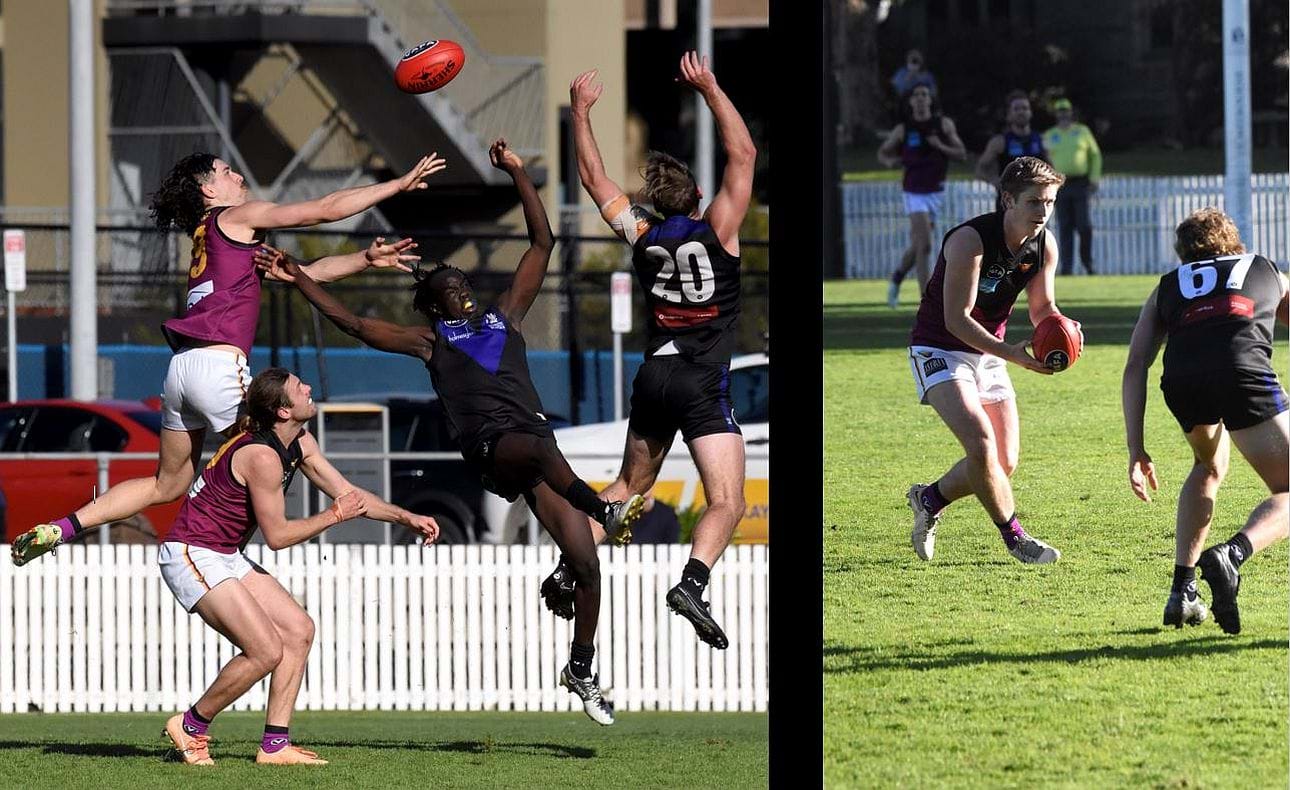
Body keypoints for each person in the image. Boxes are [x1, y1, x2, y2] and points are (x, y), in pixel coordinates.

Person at [257, 138, 640, 725]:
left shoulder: (505, 316)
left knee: (589, 566)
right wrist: (299, 278)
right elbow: (354, 323)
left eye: (462, 282)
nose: (460, 289)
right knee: (541, 451)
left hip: (538, 456)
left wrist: (517, 172)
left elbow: (542, 241)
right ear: (432, 308)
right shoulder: (431, 342)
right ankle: (601, 509)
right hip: (495, 451)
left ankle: (581, 669)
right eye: (448, 289)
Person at [11, 151, 446, 566]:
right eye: (226, 171)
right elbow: (326, 208)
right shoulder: (235, 217)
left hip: (181, 372)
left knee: (168, 484)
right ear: (208, 192)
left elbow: (305, 275)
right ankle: (228, 550)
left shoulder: (214, 240)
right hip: (219, 368)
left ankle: (63, 527)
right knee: (300, 448)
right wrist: (398, 185)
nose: (239, 177)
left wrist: (365, 260)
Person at [558, 51, 756, 650]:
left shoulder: (642, 234)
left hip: (652, 377)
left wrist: (580, 112)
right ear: (697, 194)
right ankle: (692, 583)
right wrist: (710, 89)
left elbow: (595, 182)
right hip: (700, 379)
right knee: (727, 499)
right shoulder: (719, 226)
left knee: (625, 488)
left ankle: (570, 566)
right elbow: (743, 155)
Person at [160, 367, 440, 766]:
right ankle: (191, 726)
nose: (308, 388)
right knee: (264, 649)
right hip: (191, 551)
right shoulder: (260, 456)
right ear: (283, 411)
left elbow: (348, 494)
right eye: (298, 387)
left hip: (222, 553)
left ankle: (274, 745)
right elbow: (277, 536)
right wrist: (333, 517)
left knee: (298, 630)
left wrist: (404, 517)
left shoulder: (300, 442)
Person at [1122, 207, 1288, 633]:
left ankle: (1183, 591)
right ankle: (1232, 555)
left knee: (1208, 466)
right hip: (1241, 372)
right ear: (1234, 241)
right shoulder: (1262, 267)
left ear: (1183, 254)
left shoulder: (1166, 287)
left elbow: (1136, 364)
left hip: (1182, 379)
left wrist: (1136, 448)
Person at [905, 156, 1074, 564]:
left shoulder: (1043, 244)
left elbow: (1042, 307)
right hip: (940, 349)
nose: (1043, 211)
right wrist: (1013, 355)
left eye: (1049, 202)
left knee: (1002, 463)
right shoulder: (969, 241)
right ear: (1008, 199)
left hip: (989, 354)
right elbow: (955, 319)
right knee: (981, 444)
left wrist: (1061, 325)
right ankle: (1016, 539)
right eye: (1034, 202)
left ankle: (929, 499)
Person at [877, 84, 967, 308]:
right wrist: (889, 161)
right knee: (926, 245)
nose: (920, 99)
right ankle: (926, 300)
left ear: (930, 100)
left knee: (918, 244)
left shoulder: (943, 125)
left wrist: (940, 146)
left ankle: (896, 278)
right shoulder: (903, 129)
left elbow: (961, 154)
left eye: (924, 95)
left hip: (936, 191)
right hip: (913, 191)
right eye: (915, 95)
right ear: (910, 102)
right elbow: (883, 152)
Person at [1043, 98, 1101, 275]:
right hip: (1060, 184)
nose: (1063, 114)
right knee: (1065, 226)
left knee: (1084, 225)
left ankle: (1087, 263)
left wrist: (1094, 178)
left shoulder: (1082, 131)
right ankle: (1066, 268)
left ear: (1071, 112)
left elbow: (1095, 155)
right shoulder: (1049, 135)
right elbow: (1044, 159)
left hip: (1080, 182)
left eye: (1066, 110)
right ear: (1056, 114)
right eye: (1060, 111)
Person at [976, 90, 1048, 213]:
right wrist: (995, 181)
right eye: (1016, 109)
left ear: (1030, 113)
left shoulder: (1041, 140)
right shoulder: (1000, 141)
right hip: (1009, 206)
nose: (1021, 112)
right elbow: (980, 170)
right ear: (1009, 115)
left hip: (1035, 204)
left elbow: (1051, 168)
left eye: (1025, 108)